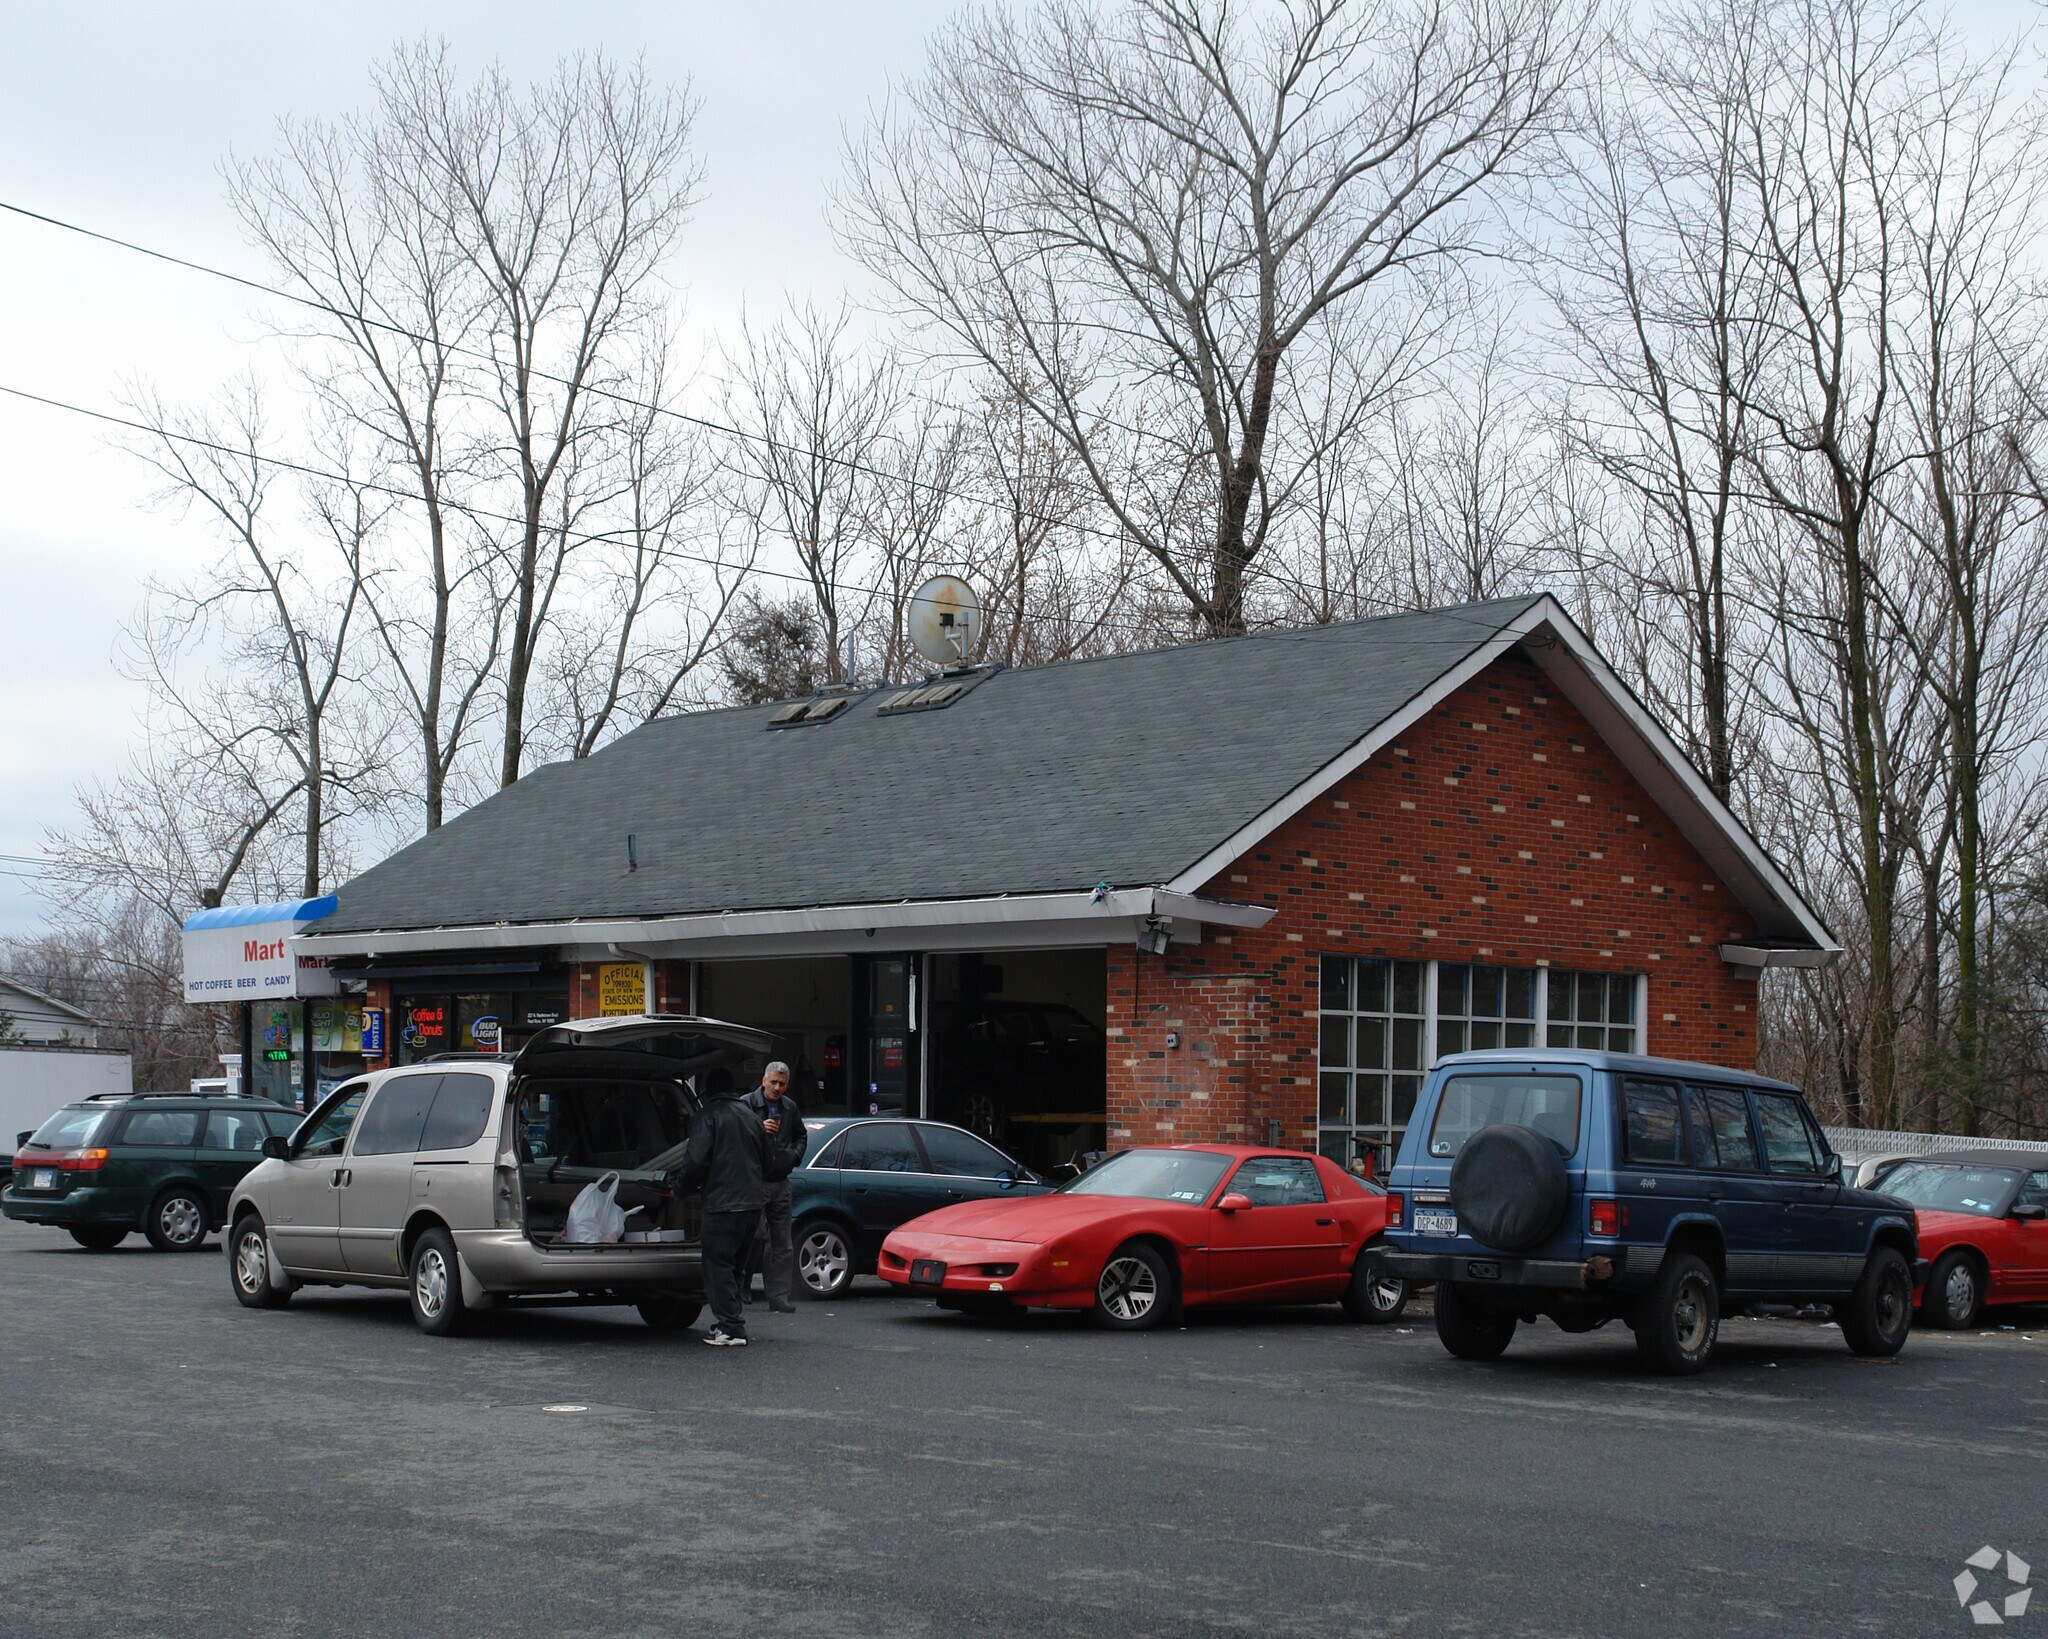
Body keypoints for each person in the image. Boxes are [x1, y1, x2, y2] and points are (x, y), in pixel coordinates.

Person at [675, 1065, 772, 1347]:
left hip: (722, 1204)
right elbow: (769, 1162)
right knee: (736, 1268)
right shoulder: (753, 1118)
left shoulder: (708, 1115)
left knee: (718, 1266)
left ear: (710, 1091)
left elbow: (695, 1161)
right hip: (752, 1205)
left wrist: (680, 1189)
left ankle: (731, 1328)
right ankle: (729, 1322)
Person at [744, 1061, 809, 1312]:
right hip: (755, 1181)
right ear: (763, 1080)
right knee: (754, 1236)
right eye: (773, 1082)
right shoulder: (747, 1104)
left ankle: (779, 1296)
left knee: (782, 1243)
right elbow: (736, 1136)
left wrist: (792, 1157)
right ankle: (743, 1285)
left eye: (782, 1084)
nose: (777, 1087)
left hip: (780, 1181)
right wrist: (758, 1129)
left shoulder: (789, 1107)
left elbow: (801, 1135)